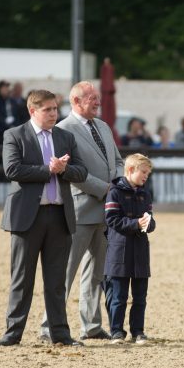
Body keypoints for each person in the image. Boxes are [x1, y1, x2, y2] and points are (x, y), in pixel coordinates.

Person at [0, 90, 88, 347]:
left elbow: (81, 172)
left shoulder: (65, 136)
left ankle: (60, 334)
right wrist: (48, 169)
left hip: (59, 216)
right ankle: (13, 334)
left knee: (57, 281)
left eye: (55, 109)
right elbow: (11, 169)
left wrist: (65, 169)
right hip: (27, 217)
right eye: (47, 109)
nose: (53, 114)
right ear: (32, 111)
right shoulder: (14, 135)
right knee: (21, 279)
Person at [38, 81, 124, 342]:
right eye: (91, 98)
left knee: (97, 272)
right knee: (66, 271)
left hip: (107, 211)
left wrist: (118, 185)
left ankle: (92, 325)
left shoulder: (103, 126)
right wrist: (105, 189)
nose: (97, 102)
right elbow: (71, 173)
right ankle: (48, 326)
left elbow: (118, 161)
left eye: (98, 98)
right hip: (79, 209)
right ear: (76, 101)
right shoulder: (63, 129)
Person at [103, 153, 156, 344]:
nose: (145, 177)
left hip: (141, 251)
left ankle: (138, 332)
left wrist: (148, 224)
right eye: (143, 172)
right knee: (119, 296)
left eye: (148, 174)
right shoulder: (114, 191)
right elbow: (111, 219)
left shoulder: (146, 194)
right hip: (119, 252)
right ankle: (116, 331)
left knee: (140, 296)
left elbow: (150, 219)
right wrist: (135, 223)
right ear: (131, 170)